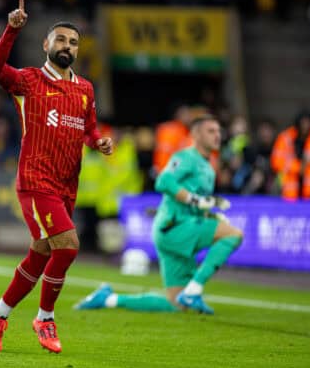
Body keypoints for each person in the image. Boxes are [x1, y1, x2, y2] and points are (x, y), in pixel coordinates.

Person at [0, 0, 113, 353]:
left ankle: (0, 311)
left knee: (42, 251)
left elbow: (88, 129)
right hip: (36, 180)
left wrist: (98, 142)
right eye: (60, 40)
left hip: (66, 184)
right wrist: (11, 30)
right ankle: (45, 317)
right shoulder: (28, 81)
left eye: (73, 42)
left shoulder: (84, 89)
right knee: (68, 247)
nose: (67, 46)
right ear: (46, 44)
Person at [75, 115, 242, 315]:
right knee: (234, 234)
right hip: (175, 226)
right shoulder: (186, 157)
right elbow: (163, 182)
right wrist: (197, 201)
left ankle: (109, 299)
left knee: (176, 304)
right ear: (196, 135)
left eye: (219, 131)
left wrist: (210, 216)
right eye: (211, 131)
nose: (217, 135)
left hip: (179, 228)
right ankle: (194, 289)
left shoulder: (208, 167)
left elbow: (193, 199)